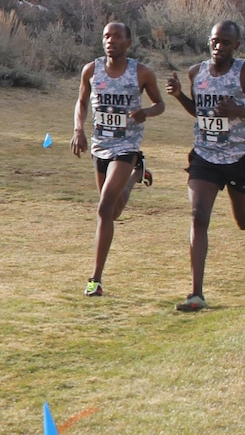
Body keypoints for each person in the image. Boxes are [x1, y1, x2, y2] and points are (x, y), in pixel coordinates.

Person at [165, 20, 245, 312]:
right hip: (204, 157)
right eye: (215, 41)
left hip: (237, 159)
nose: (219, 47)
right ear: (209, 42)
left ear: (237, 46)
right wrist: (180, 95)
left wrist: (240, 111)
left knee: (244, 222)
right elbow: (200, 111)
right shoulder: (197, 72)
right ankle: (196, 294)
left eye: (226, 43)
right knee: (198, 216)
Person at [71, 22, 165, 297]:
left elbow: (160, 104)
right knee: (115, 211)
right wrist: (78, 129)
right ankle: (138, 173)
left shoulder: (142, 72)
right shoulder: (91, 69)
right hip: (100, 145)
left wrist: (145, 112)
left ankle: (95, 279)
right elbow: (82, 101)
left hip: (127, 145)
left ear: (128, 42)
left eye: (116, 37)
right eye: (106, 37)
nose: (110, 41)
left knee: (103, 208)